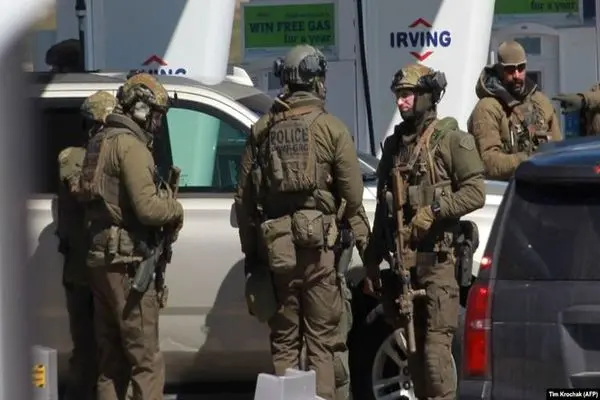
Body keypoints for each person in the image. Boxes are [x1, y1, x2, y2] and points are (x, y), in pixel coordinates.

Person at [234, 44, 368, 400]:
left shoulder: (262, 130)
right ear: (318, 82)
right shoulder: (332, 128)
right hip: (319, 253)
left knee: (285, 345)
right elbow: (353, 197)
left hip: (276, 253)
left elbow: (244, 202)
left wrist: (254, 257)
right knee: (323, 345)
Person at [363, 63, 486, 400]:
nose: (401, 102)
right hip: (403, 267)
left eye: (407, 95)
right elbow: (384, 208)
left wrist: (434, 211)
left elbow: (475, 192)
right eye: (398, 95)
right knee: (413, 356)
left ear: (427, 96)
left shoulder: (451, 140)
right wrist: (372, 260)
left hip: (438, 265)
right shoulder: (394, 146)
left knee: (434, 357)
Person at [79, 73, 184, 400]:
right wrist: (174, 208)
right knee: (145, 362)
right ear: (140, 108)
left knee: (111, 364)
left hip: (101, 260)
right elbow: (149, 209)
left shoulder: (99, 141)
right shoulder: (130, 146)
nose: (157, 122)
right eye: (156, 114)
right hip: (127, 265)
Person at [56, 90, 116, 400]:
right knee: (87, 353)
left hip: (103, 268)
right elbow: (82, 189)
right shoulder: (73, 157)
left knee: (110, 350)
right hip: (83, 272)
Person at [467, 40, 562, 181]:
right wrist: (529, 159)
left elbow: (558, 150)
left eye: (521, 68)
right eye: (510, 70)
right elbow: (488, 163)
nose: (517, 75)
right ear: (500, 70)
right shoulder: (487, 108)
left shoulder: (541, 102)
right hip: (504, 189)